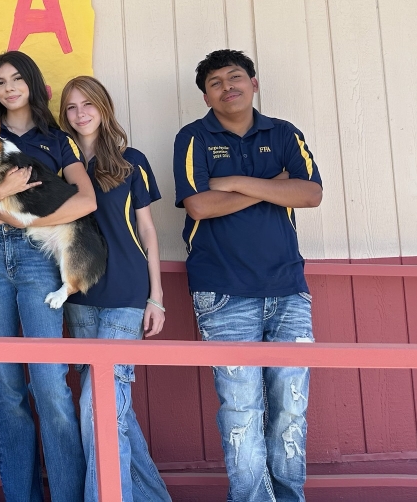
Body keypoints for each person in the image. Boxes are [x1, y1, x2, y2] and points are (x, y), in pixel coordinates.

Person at [173, 50, 322, 502]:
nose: (227, 86)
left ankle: (288, 497)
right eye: (215, 82)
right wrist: (273, 187)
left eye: (235, 77)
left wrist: (234, 183)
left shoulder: (283, 133)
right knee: (241, 410)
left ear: (253, 83)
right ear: (205, 95)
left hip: (289, 289)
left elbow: (311, 193)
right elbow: (199, 205)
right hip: (223, 291)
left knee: (291, 409)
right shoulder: (193, 137)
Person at [0, 50, 95, 502]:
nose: (9, 88)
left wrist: (27, 223)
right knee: (7, 386)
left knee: (49, 384)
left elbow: (86, 201)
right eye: (0, 82)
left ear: (33, 84)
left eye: (17, 79)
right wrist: (1, 198)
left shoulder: (58, 139)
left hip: (39, 254)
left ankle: (68, 496)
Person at [59, 76, 171, 502]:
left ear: (104, 108)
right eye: (71, 107)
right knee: (112, 411)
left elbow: (147, 230)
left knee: (98, 406)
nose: (80, 113)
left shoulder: (130, 160)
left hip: (126, 294)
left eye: (88, 104)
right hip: (81, 300)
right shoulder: (61, 165)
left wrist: (156, 296)